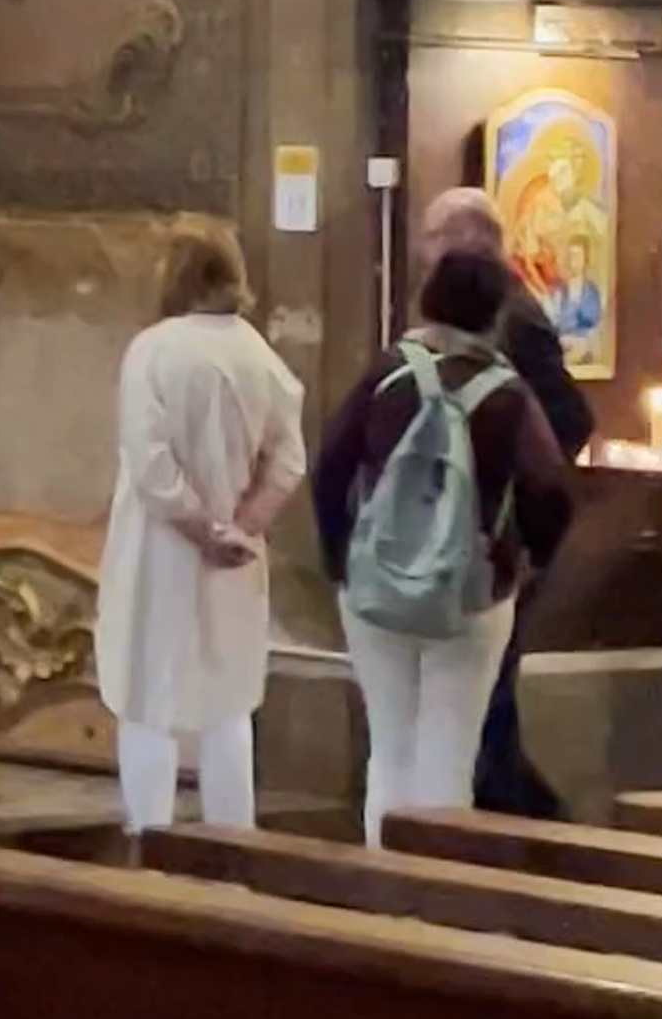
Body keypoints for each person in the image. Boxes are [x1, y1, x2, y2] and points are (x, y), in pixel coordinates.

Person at [313, 235, 575, 847]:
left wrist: (340, 560)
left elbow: (329, 469)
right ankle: (438, 887)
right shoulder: (507, 394)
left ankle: (384, 878)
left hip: (375, 588)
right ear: (496, 314)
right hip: (473, 592)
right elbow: (552, 491)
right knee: (450, 751)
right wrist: (529, 562)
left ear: (428, 300)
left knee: (390, 748)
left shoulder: (388, 375)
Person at [94, 219, 309, 841]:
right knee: (227, 700)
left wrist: (200, 528)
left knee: (146, 699)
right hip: (235, 557)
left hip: (159, 549)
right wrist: (242, 526)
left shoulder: (153, 350)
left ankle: (149, 839)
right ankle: (234, 843)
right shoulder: (258, 353)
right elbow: (289, 460)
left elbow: (150, 464)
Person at [416, 174, 591, 811]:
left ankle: (520, 821)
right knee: (483, 698)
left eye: (432, 236)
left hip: (492, 538)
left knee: (487, 698)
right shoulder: (473, 321)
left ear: (466, 242)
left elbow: (570, 418)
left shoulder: (512, 318)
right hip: (475, 539)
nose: (420, 249)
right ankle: (518, 817)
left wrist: (513, 501)